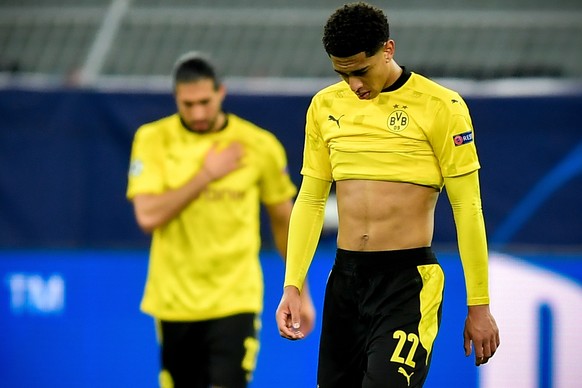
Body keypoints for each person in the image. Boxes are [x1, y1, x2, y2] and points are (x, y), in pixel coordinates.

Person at [276, 3, 500, 387]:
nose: (354, 85)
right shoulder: (324, 106)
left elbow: (468, 208)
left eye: (361, 71)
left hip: (405, 283)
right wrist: (292, 285)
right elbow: (311, 199)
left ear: (388, 50)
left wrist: (479, 305)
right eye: (342, 74)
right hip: (345, 281)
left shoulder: (441, 107)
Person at [126, 51, 316, 388]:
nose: (198, 112)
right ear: (176, 99)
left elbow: (284, 219)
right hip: (174, 299)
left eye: (205, 101)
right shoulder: (152, 139)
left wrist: (300, 289)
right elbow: (147, 215)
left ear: (221, 93)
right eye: (188, 104)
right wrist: (205, 176)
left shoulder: (258, 145)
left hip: (235, 296)